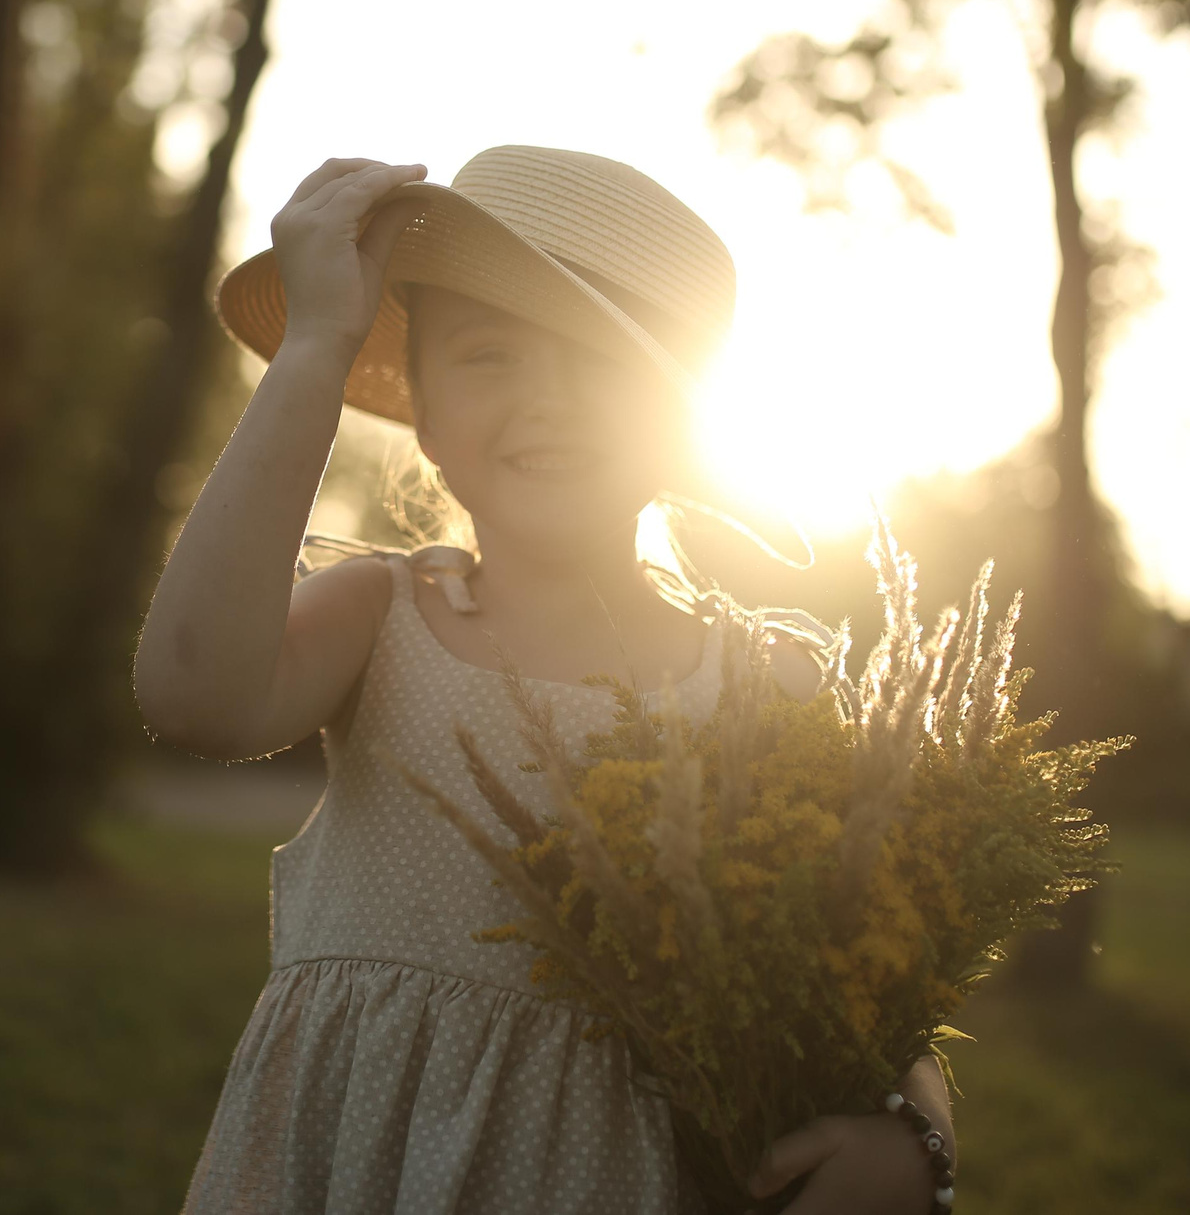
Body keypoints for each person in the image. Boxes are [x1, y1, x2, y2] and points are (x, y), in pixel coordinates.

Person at [136, 148, 957, 1215]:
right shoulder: (384, 619)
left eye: (601, 364)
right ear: (422, 411)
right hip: (355, 1170)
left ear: (677, 423)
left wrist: (922, 1142)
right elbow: (193, 692)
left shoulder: (766, 690)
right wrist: (315, 350)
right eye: (489, 355)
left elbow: (880, 988)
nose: (549, 399)